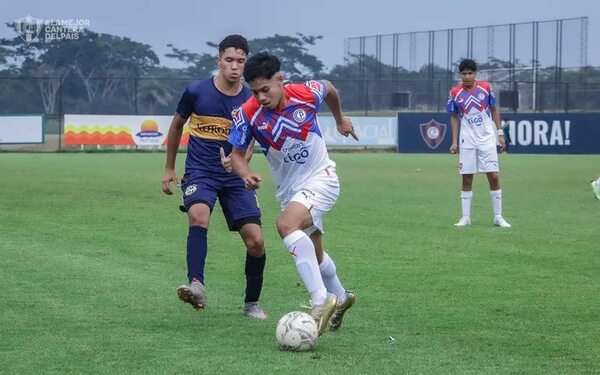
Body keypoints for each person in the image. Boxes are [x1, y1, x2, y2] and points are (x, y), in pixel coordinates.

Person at [228, 52, 357, 336]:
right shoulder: (247, 113)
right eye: (255, 91)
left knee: (286, 225)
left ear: (280, 80)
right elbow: (236, 155)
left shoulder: (305, 93)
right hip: (290, 191)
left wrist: (339, 119)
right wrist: (244, 173)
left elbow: (330, 88)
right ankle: (342, 295)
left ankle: (320, 301)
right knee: (315, 252)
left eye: (266, 89)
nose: (261, 97)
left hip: (322, 178)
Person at [161, 35, 268, 320]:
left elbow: (251, 138)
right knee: (198, 215)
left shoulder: (250, 99)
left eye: (241, 62)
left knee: (256, 241)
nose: (234, 67)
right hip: (201, 171)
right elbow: (176, 127)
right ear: (218, 60)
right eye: (229, 60)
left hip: (234, 178)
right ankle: (197, 285)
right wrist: (170, 168)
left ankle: (251, 303)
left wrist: (242, 163)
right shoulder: (196, 92)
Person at [447, 59, 511, 228]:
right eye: (464, 73)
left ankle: (498, 217)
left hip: (487, 139)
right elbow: (453, 116)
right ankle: (465, 217)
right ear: (460, 74)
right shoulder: (454, 93)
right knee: (467, 178)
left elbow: (494, 109)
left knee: (493, 175)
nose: (467, 76)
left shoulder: (486, 88)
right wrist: (454, 141)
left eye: (470, 73)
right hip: (467, 140)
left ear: (476, 73)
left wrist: (499, 133)